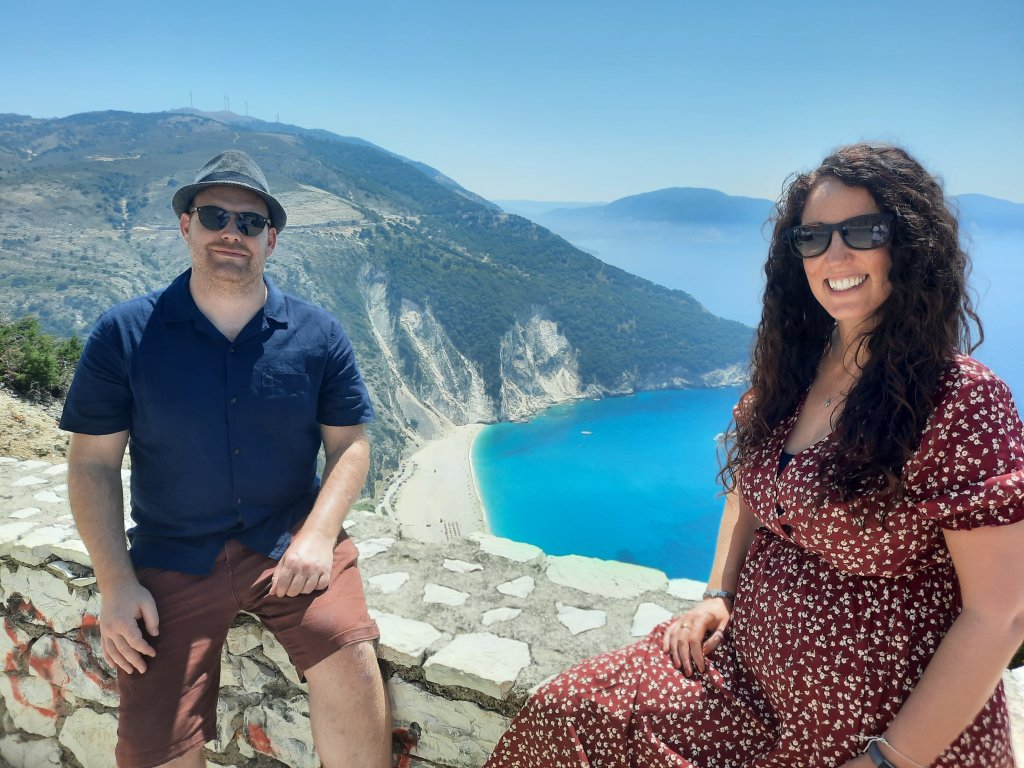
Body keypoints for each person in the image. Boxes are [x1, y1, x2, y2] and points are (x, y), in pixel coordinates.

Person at [483, 143, 1024, 768]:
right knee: (572, 710)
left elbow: (1000, 614)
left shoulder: (957, 400)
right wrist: (719, 591)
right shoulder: (793, 375)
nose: (835, 255)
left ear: (910, 245)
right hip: (747, 687)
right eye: (813, 237)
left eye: (862, 231)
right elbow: (749, 485)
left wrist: (890, 759)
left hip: (881, 730)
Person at [61, 150, 390, 768]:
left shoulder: (318, 334)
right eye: (214, 216)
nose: (231, 233)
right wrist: (115, 582)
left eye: (249, 222)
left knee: (350, 658)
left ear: (272, 239)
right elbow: (93, 464)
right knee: (156, 736)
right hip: (173, 552)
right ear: (186, 226)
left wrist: (318, 537)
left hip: (289, 542)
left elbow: (351, 446)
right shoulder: (124, 334)